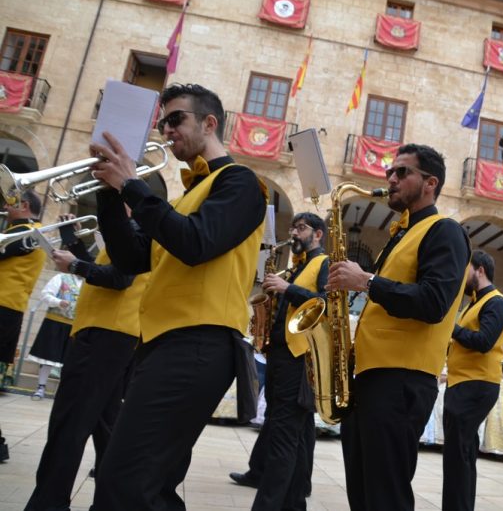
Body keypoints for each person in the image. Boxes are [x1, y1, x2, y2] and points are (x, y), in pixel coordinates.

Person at [86, 82, 267, 510]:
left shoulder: (241, 183)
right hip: (167, 344)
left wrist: (133, 186)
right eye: (163, 121)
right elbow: (132, 258)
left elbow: (196, 243)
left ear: (209, 123)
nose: (166, 130)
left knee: (125, 478)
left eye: (176, 119)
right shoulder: (189, 196)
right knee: (146, 482)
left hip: (198, 344)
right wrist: (110, 196)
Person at [327, 143, 471, 511]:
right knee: (363, 493)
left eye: (402, 172)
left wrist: (367, 282)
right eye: (390, 172)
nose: (390, 179)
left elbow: (434, 303)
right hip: (373, 377)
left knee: (385, 496)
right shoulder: (401, 234)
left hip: (401, 380)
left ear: (430, 183)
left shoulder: (445, 231)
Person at [24, 222, 147, 510]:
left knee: (69, 425)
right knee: (107, 427)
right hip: (115, 333)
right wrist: (75, 245)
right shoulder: (133, 229)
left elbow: (120, 279)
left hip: (105, 332)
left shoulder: (134, 230)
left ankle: (48, 504)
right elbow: (109, 276)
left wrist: (76, 265)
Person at [229, 212, 328, 510]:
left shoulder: (324, 263)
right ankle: (295, 503)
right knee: (292, 438)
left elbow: (324, 302)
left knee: (283, 440)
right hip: (281, 356)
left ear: (318, 234)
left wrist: (288, 289)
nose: (294, 233)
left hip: (298, 360)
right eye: (293, 227)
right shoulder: (298, 267)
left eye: (301, 228)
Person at [442, 249, 503, 511]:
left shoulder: (496, 302)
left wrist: (452, 328)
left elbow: (483, 342)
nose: (462, 275)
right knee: (461, 453)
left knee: (458, 455)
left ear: (479, 270)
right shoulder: (474, 301)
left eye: (465, 268)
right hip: (464, 383)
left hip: (476, 385)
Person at [0, 191, 46, 389]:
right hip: (11, 305)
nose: (5, 208)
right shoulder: (37, 231)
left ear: (24, 206)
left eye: (9, 203)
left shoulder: (24, 231)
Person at [26, 271, 82, 400]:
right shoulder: (61, 277)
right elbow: (45, 295)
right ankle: (41, 387)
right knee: (48, 356)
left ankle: (63, 391)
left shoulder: (89, 283)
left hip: (76, 326)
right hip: (55, 322)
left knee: (71, 359)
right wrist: (58, 302)